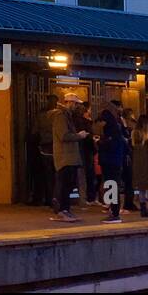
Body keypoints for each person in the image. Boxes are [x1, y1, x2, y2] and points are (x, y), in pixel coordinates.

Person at [50, 93, 88, 223]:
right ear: (69, 103)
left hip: (69, 157)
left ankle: (65, 210)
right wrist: (79, 136)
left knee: (68, 184)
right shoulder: (60, 116)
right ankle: (61, 211)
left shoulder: (67, 116)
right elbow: (63, 135)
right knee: (64, 184)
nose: (77, 107)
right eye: (76, 104)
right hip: (64, 157)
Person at [95, 97, 129, 223]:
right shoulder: (116, 128)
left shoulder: (111, 131)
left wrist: (100, 142)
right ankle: (112, 210)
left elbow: (110, 144)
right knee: (111, 184)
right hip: (112, 159)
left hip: (110, 160)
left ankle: (114, 213)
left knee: (112, 184)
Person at [34, 95, 60, 209]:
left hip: (44, 148)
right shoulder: (59, 116)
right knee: (57, 175)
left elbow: (34, 131)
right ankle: (56, 198)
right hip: (57, 147)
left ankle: (48, 198)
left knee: (47, 175)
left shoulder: (40, 116)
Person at [77, 101, 97, 205]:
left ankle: (89, 198)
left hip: (86, 150)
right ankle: (87, 198)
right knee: (86, 174)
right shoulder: (83, 122)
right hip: (85, 150)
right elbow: (88, 136)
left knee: (88, 174)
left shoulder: (85, 121)